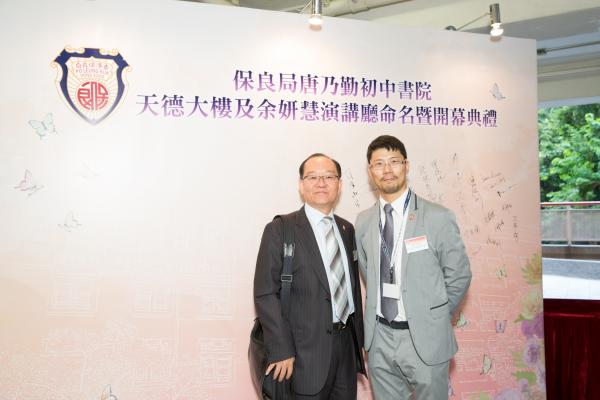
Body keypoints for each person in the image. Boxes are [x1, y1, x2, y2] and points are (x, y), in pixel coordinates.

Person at [355, 135, 471, 400]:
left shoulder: (438, 216)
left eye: (394, 161)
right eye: (379, 163)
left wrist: (433, 315)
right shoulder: (363, 222)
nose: (387, 169)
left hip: (426, 337)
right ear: (370, 171)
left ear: (406, 165)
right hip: (380, 338)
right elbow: (368, 271)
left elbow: (459, 275)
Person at [254, 153, 366, 399]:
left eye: (329, 177)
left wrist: (360, 342)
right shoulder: (280, 229)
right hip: (302, 354)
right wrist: (281, 348)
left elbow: (353, 290)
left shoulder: (347, 229)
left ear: (339, 184)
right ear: (301, 184)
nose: (321, 183)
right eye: (313, 177)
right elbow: (265, 293)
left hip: (346, 351)